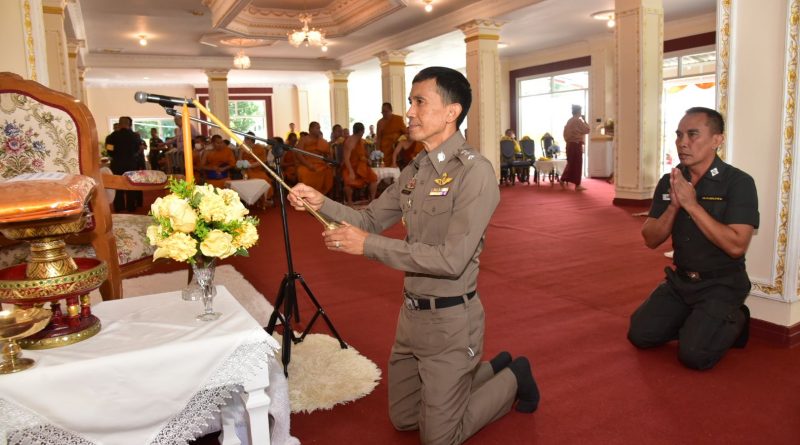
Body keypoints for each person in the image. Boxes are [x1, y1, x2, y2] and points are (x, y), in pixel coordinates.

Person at [288, 66, 539, 445]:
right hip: (411, 318)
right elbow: (369, 218)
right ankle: (483, 371)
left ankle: (512, 377)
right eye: (410, 102)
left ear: (451, 112)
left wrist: (368, 246)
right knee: (405, 419)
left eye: (420, 102)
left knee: (439, 438)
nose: (409, 111)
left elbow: (451, 259)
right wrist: (321, 202)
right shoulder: (416, 170)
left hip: (452, 321)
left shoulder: (476, 174)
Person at [627, 107, 759, 370]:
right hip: (681, 281)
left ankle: (737, 318)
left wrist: (692, 205)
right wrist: (675, 206)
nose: (682, 143)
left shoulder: (739, 182)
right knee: (640, 334)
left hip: (721, 284)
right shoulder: (670, 181)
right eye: (679, 135)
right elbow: (650, 239)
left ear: (717, 140)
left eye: (693, 134)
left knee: (694, 356)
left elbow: (736, 246)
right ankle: (697, 320)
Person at [104, 116, 141, 212]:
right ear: (129, 125)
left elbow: (109, 151)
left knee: (118, 186)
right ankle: (131, 207)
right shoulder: (135, 136)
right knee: (131, 185)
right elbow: (137, 149)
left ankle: (119, 207)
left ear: (119, 124)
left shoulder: (111, 137)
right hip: (131, 164)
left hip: (117, 164)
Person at [341, 122, 378, 204]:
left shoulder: (361, 141)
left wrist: (368, 159)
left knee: (374, 178)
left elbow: (363, 153)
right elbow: (346, 159)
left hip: (362, 166)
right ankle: (350, 201)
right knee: (348, 181)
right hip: (350, 166)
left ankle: (372, 200)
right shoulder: (349, 142)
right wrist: (351, 172)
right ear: (361, 131)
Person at [295, 121, 333, 195]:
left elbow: (327, 154)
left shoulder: (321, 140)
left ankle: (321, 195)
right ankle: (307, 196)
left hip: (320, 164)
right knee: (303, 172)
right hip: (306, 164)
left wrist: (321, 140)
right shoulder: (304, 139)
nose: (319, 130)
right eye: (317, 128)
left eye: (319, 128)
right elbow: (299, 154)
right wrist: (308, 165)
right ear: (310, 129)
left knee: (328, 171)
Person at [559, 104, 590, 191]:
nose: (581, 113)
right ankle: (577, 185)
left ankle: (563, 180)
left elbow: (565, 134)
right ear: (578, 112)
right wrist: (584, 120)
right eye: (580, 111)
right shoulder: (578, 121)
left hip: (570, 145)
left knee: (571, 163)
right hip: (575, 145)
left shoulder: (569, 121)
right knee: (577, 164)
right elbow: (587, 130)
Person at [241, 131, 275, 200]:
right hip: (247, 170)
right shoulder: (242, 148)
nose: (246, 141)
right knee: (251, 178)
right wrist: (241, 153)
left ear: (252, 140)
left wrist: (251, 165)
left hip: (258, 170)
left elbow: (262, 161)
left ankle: (264, 199)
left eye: (247, 139)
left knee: (264, 179)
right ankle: (256, 199)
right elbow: (239, 162)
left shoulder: (259, 148)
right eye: (245, 139)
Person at [376, 102, 407, 167]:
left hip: (396, 148)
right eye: (383, 111)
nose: (384, 114)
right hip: (385, 150)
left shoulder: (398, 119)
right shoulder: (380, 123)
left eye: (386, 111)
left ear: (391, 111)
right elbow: (378, 138)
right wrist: (378, 151)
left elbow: (406, 132)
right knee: (386, 167)